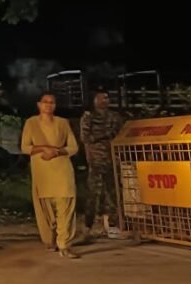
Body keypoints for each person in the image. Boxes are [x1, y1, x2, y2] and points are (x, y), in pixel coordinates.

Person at [21, 93, 80, 259]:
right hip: (42, 173)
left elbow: (73, 147)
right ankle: (50, 240)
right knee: (46, 211)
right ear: (39, 105)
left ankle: (64, 245)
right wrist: (43, 148)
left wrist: (57, 152)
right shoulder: (31, 123)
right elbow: (25, 147)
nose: (48, 105)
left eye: (52, 102)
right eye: (45, 102)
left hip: (62, 169)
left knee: (66, 205)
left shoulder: (63, 123)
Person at [80, 91, 125, 239]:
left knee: (113, 194)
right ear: (94, 100)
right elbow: (86, 138)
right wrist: (105, 135)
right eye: (100, 98)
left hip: (112, 160)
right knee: (93, 194)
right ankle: (88, 226)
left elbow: (120, 135)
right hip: (96, 161)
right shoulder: (89, 117)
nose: (104, 100)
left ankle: (113, 226)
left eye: (106, 98)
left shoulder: (114, 117)